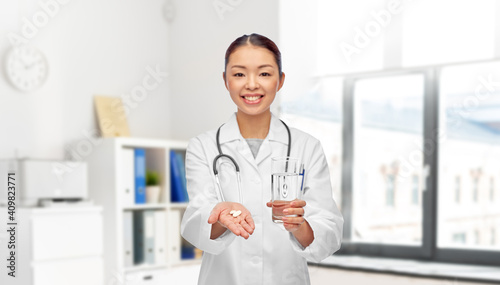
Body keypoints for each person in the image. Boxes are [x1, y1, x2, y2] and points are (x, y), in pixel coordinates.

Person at [180, 33, 343, 285]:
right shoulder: (203, 146)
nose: (252, 84)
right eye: (239, 74)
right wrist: (219, 216)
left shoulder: (307, 147)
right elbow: (195, 223)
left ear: (280, 81)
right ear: (225, 80)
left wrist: (298, 225)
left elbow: (329, 231)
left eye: (264, 74)